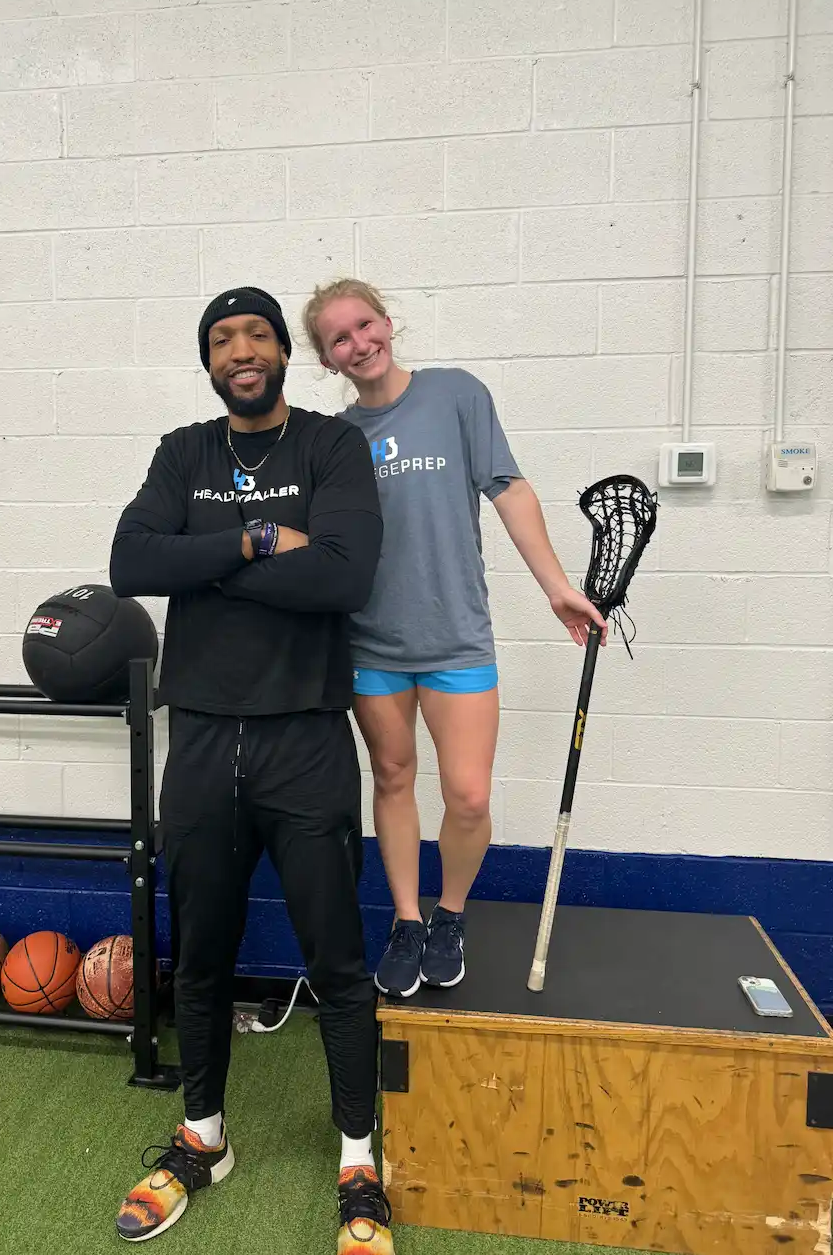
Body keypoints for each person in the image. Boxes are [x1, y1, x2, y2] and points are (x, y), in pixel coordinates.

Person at [108, 286, 395, 1254]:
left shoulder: (329, 446)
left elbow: (345, 574)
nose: (242, 349)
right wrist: (258, 539)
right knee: (199, 957)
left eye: (258, 334)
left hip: (304, 737)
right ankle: (203, 1136)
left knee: (337, 962)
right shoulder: (182, 452)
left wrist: (201, 561)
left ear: (282, 352)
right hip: (199, 739)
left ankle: (358, 1157)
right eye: (223, 338)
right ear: (208, 360)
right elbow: (132, 562)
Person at [301, 278, 607, 1002]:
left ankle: (451, 914)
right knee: (393, 778)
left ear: (388, 322)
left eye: (366, 324)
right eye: (339, 338)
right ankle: (407, 921)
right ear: (326, 357)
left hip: (456, 637)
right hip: (371, 645)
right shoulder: (334, 439)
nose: (359, 343)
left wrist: (556, 585)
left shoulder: (456, 395)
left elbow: (510, 489)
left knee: (468, 796)